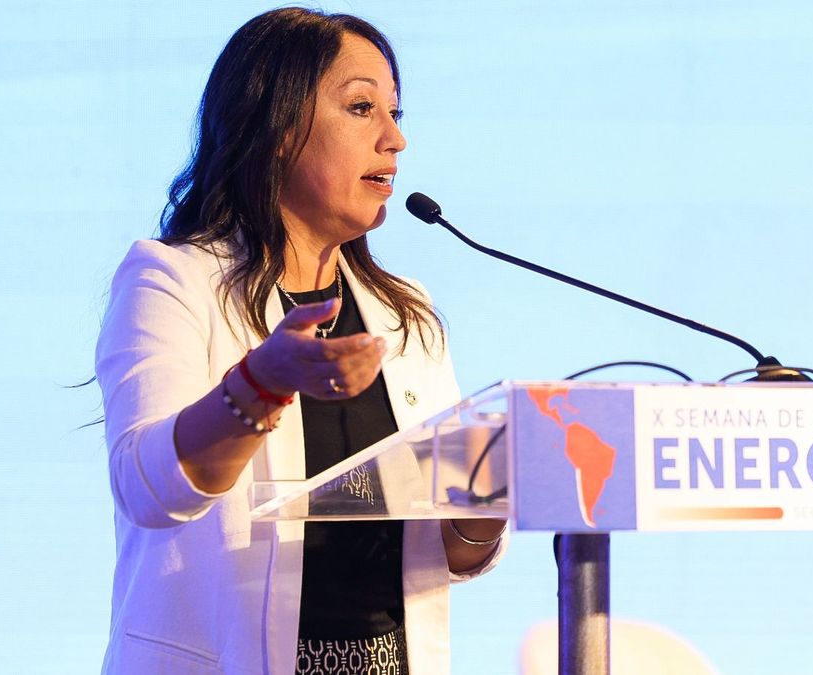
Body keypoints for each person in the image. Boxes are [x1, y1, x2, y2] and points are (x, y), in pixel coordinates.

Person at [94, 8, 507, 674]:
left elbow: (452, 550)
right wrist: (262, 382)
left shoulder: (406, 314)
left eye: (396, 113)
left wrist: (487, 499)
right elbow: (149, 487)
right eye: (362, 108)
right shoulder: (173, 280)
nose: (395, 138)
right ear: (278, 128)